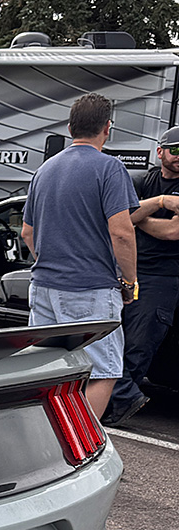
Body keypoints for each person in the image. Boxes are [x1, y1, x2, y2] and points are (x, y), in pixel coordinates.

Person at [21, 93, 152, 419]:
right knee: (102, 371)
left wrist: (50, 260)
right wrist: (130, 282)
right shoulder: (110, 168)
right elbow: (122, 232)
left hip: (43, 286)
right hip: (90, 288)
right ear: (107, 128)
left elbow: (27, 233)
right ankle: (80, 442)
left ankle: (47, 435)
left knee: (48, 369)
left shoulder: (45, 170)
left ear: (70, 128)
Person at [101, 127, 179, 425]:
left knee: (138, 345)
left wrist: (136, 217)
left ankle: (118, 404)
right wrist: (160, 202)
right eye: (176, 150)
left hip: (163, 277)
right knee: (107, 338)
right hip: (126, 269)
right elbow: (117, 218)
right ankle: (114, 398)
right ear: (160, 151)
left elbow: (172, 231)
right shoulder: (142, 181)